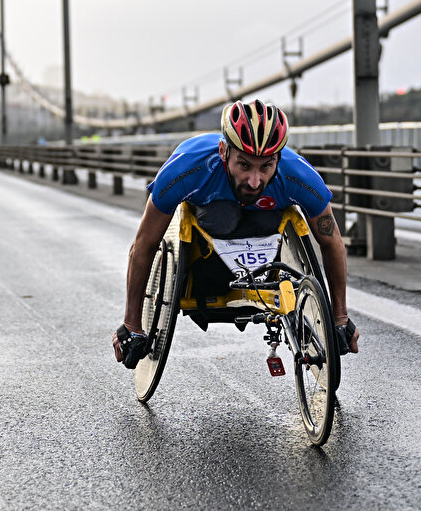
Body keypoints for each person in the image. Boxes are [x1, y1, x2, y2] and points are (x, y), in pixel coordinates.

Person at [113, 99, 360, 368]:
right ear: (223, 152)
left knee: (267, 220)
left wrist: (340, 319)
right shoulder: (187, 169)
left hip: (264, 224)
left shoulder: (297, 175)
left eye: (266, 167)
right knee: (222, 218)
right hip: (212, 222)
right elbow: (144, 244)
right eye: (244, 165)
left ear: (278, 159)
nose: (254, 181)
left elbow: (331, 241)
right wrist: (131, 323)